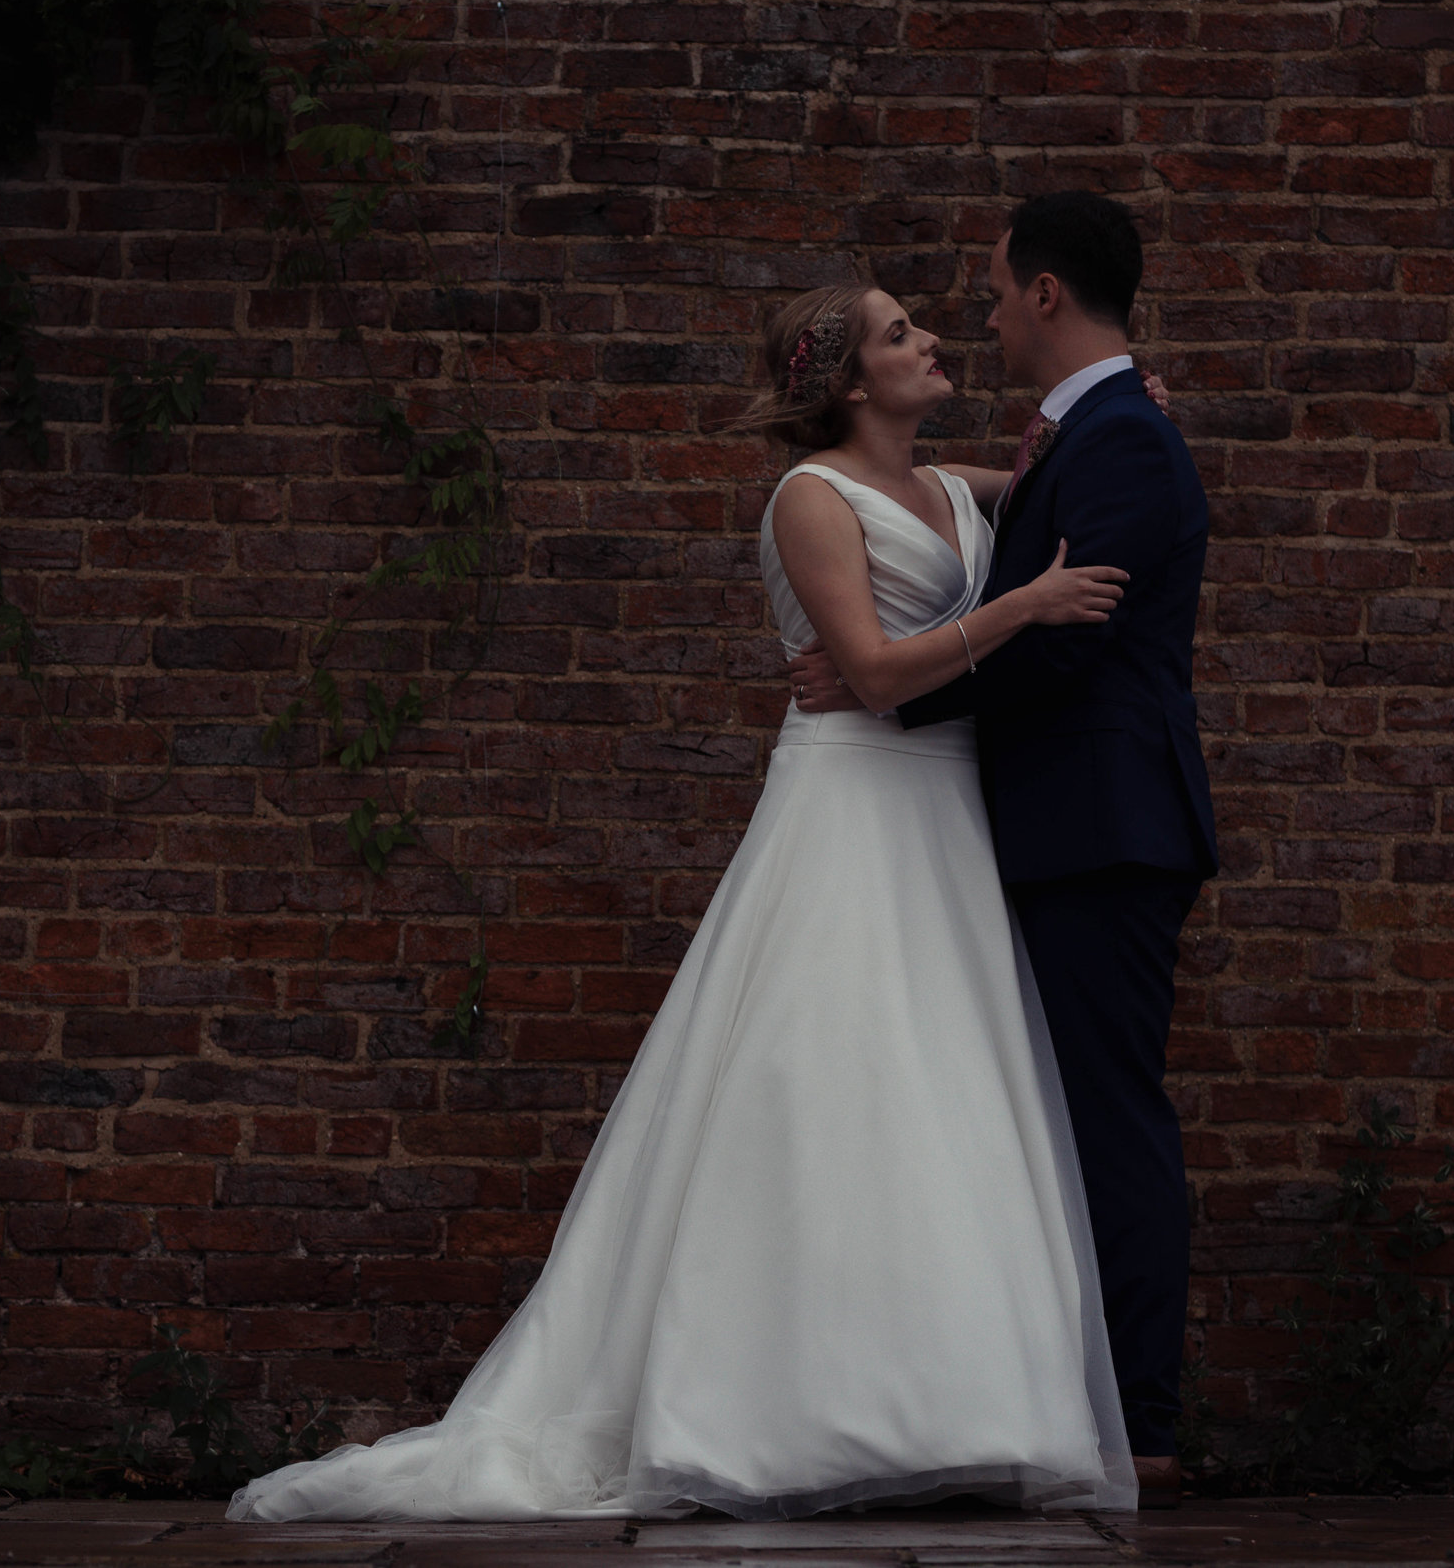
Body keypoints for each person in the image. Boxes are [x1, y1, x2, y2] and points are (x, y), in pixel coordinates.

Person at [228, 276, 1144, 1523]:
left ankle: (949, 1401)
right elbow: (871, 676)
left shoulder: (949, 487)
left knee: (940, 1092)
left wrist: (1113, 414)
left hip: (949, 815)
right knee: (824, 1082)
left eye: (923, 324)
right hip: (858, 803)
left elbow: (1048, 474)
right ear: (846, 381)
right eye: (898, 334)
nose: (929, 341)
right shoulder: (809, 500)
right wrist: (1023, 605)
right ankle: (766, 1413)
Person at [789, 191, 1219, 1510]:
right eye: (914, 322)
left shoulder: (1123, 445)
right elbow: (992, 527)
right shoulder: (1065, 445)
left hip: (1099, 832)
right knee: (1024, 1123)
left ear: (1045, 294)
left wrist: (890, 694)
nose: (969, 316)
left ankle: (1139, 1421)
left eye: (984, 290)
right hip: (1029, 832)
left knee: (1105, 1120)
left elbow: (1070, 642)